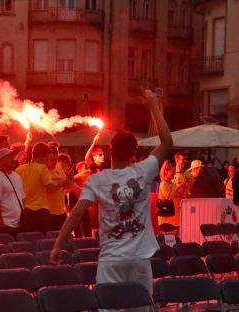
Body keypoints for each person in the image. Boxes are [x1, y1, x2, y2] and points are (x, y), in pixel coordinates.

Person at [50, 90, 173, 307]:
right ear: (134, 153)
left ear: (110, 150)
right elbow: (167, 141)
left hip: (111, 261)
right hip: (139, 260)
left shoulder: (98, 180)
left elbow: (76, 214)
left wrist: (58, 245)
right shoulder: (143, 171)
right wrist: (154, 107)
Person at [16, 142, 71, 233]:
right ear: (41, 155)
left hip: (25, 212)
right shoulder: (42, 169)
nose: (46, 160)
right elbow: (51, 188)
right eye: (46, 157)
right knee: (45, 242)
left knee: (30, 241)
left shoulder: (20, 169)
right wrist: (65, 181)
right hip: (40, 212)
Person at [0, 148, 24, 237]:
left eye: (13, 157)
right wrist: (2, 225)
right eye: (9, 157)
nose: (13, 159)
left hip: (20, 224)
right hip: (7, 226)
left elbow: (22, 199)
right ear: (1, 160)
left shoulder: (17, 176)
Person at [157, 160, 187, 234]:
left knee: (175, 241)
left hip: (175, 218)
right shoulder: (163, 184)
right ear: (166, 171)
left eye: (174, 171)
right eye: (172, 171)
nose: (174, 174)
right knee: (168, 241)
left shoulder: (173, 184)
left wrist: (184, 188)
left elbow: (179, 196)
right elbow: (169, 197)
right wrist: (179, 186)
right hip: (166, 218)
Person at [46, 145, 69, 231]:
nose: (54, 162)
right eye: (51, 159)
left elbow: (66, 186)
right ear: (45, 158)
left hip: (61, 212)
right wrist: (63, 182)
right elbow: (50, 188)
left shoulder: (59, 169)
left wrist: (69, 180)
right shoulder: (42, 170)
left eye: (56, 159)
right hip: (48, 213)